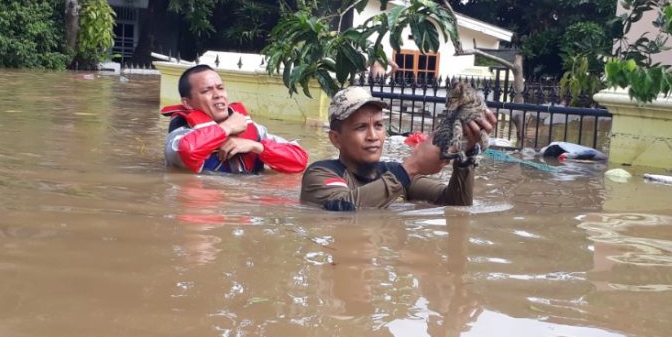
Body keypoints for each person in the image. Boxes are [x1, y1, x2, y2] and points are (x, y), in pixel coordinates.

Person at [300, 86, 496, 211]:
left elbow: (456, 204)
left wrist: (466, 156)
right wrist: (412, 166)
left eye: (378, 125)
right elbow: (343, 207)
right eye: (361, 127)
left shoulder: (393, 173)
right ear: (336, 139)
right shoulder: (320, 173)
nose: (373, 136)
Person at [161, 64, 308, 174]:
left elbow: (300, 160)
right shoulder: (178, 137)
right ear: (188, 103)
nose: (218, 95)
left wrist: (256, 146)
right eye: (206, 91)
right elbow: (189, 151)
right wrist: (227, 128)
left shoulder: (252, 130)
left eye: (220, 88)